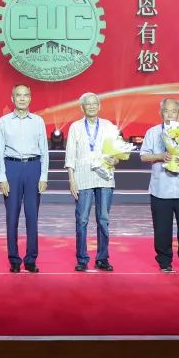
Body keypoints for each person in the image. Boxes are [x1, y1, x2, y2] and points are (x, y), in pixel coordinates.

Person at [140, 98, 179, 272]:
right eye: (166, 111)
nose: (170, 114)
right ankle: (164, 261)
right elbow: (144, 156)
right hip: (160, 189)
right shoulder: (153, 132)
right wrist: (160, 156)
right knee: (162, 228)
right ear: (161, 113)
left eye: (173, 111)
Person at [64, 92, 121, 272]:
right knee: (82, 220)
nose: (91, 106)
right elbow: (70, 155)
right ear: (82, 108)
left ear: (99, 106)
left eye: (94, 103)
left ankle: (102, 258)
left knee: (103, 219)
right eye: (87, 104)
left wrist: (115, 160)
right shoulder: (75, 127)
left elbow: (117, 152)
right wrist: (72, 181)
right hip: (83, 177)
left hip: (104, 177)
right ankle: (82, 259)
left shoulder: (108, 126)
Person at [0, 84, 49, 273]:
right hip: (12, 168)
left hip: (33, 168)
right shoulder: (4, 121)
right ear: (12, 98)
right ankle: (14, 259)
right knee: (12, 217)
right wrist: (2, 177)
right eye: (18, 95)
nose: (22, 98)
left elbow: (44, 150)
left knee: (32, 216)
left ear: (30, 98)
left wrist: (44, 176)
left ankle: (31, 259)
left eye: (26, 95)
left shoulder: (38, 121)